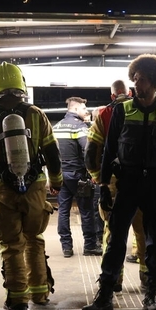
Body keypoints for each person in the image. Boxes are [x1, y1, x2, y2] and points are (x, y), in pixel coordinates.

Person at [83, 54, 156, 310]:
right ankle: (105, 294)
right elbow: (108, 151)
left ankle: (152, 294)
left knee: (155, 240)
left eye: (140, 79)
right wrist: (104, 185)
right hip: (127, 182)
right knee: (116, 238)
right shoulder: (122, 110)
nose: (135, 84)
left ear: (153, 81)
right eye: (134, 79)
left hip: (154, 183)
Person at [0, 62, 63, 310]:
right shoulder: (36, 114)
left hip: (3, 189)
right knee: (35, 239)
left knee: (11, 244)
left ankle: (17, 299)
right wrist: (56, 180)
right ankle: (41, 293)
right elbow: (52, 152)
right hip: (35, 188)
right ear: (20, 84)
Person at [85, 80, 146, 292]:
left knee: (113, 232)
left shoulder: (104, 114)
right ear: (128, 92)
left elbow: (91, 152)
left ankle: (113, 279)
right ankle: (148, 280)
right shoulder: (143, 109)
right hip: (143, 180)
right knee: (144, 231)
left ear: (112, 96)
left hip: (113, 180)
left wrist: (98, 179)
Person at [53, 97, 100, 257]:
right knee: (86, 211)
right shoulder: (79, 127)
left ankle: (66, 247)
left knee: (63, 211)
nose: (86, 112)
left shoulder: (57, 127)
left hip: (61, 175)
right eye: (84, 109)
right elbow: (88, 150)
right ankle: (90, 246)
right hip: (78, 176)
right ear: (75, 109)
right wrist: (93, 171)